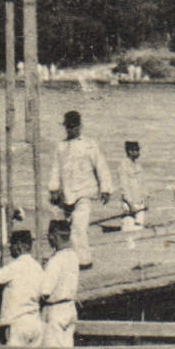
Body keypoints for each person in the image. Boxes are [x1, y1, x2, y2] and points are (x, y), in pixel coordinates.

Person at [48, 109, 114, 269]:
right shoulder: (61, 146)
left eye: (74, 126)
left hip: (85, 192)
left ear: (80, 126)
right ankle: (70, 259)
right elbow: (55, 169)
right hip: (67, 195)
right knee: (66, 228)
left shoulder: (89, 145)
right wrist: (54, 189)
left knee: (79, 227)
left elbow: (101, 166)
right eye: (69, 127)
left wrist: (105, 189)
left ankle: (84, 261)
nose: (72, 130)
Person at [0, 229, 44, 347]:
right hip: (35, 322)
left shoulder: (14, 267)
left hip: (17, 324)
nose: (10, 248)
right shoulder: (38, 267)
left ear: (19, 245)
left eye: (12, 245)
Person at [39, 219, 79, 348]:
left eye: (49, 236)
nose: (48, 240)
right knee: (67, 348)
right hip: (69, 307)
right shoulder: (73, 256)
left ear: (54, 236)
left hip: (55, 310)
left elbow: (44, 291)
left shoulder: (56, 260)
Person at [118, 141, 148, 229]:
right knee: (129, 228)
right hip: (130, 203)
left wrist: (146, 199)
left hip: (140, 202)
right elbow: (124, 187)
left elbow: (143, 184)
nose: (138, 153)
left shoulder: (138, 166)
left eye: (138, 150)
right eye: (135, 150)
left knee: (139, 227)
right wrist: (130, 204)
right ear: (129, 151)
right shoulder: (123, 166)